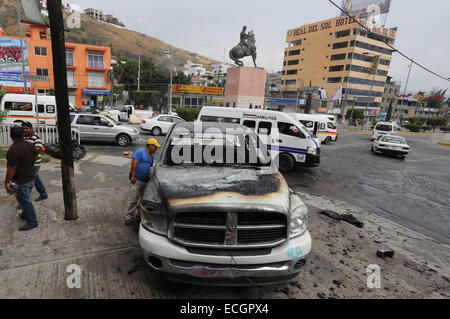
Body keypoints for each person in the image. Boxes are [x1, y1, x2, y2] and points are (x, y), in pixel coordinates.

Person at [5, 126, 39, 231]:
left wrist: (6, 182)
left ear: (11, 136)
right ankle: (25, 214)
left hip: (22, 180)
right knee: (23, 198)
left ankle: (32, 222)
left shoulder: (13, 149)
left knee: (24, 200)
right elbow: (36, 157)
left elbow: (12, 168)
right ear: (23, 134)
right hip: (31, 176)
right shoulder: (30, 145)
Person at [124, 138, 161, 225]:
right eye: (155, 147)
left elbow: (150, 167)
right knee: (132, 200)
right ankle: (128, 217)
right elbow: (134, 164)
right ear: (150, 146)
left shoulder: (151, 156)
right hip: (136, 180)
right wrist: (133, 176)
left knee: (142, 201)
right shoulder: (140, 152)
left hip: (145, 181)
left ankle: (138, 216)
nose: (156, 149)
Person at [21, 122, 48, 201]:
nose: (24, 130)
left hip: (35, 163)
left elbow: (38, 148)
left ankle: (25, 200)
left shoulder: (36, 137)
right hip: (26, 163)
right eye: (23, 128)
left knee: (28, 181)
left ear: (31, 129)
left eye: (26, 128)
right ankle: (43, 194)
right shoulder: (23, 137)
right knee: (35, 179)